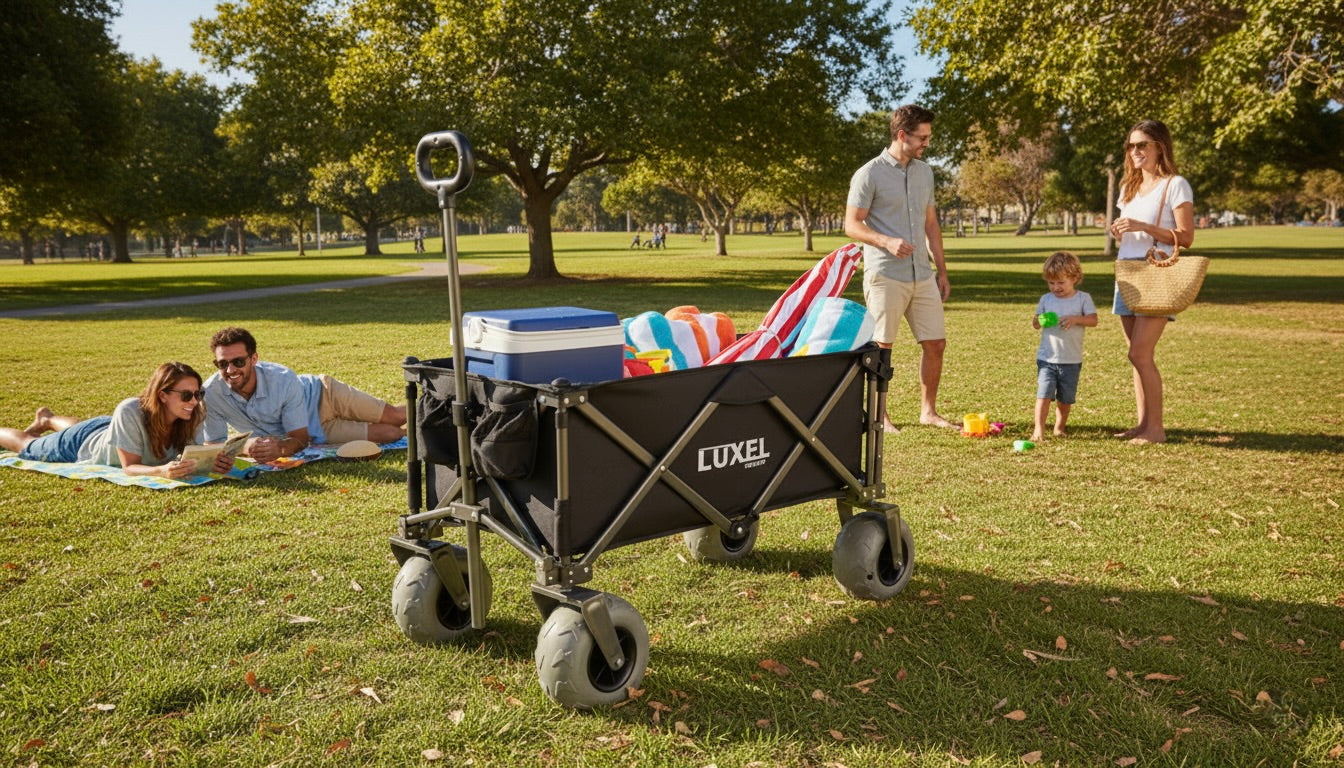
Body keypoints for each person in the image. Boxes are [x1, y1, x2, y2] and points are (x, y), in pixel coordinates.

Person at [845, 103, 954, 433]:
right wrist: (885, 241)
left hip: (922, 273)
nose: (926, 144)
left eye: (929, 138)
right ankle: (880, 414)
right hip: (885, 273)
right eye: (922, 138)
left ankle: (929, 411)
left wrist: (943, 270)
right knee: (882, 346)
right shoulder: (869, 173)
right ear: (902, 135)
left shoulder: (925, 172)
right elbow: (851, 224)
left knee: (935, 343)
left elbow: (931, 223)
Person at [1107, 119, 1194, 445]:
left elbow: (1186, 237)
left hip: (1156, 273)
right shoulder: (1128, 188)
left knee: (1140, 354)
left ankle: (1156, 430)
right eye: (1131, 146)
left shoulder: (1176, 185)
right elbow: (1128, 233)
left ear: (1160, 147)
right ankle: (1142, 424)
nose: (1136, 151)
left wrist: (1143, 225)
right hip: (1127, 273)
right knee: (1135, 354)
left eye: (1142, 145)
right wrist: (1121, 230)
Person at [202, 327, 407, 462]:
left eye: (238, 362)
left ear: (254, 359)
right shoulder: (210, 393)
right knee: (392, 434)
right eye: (222, 364)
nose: (230, 370)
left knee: (396, 416)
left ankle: (437, 405)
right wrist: (247, 447)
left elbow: (298, 438)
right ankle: (425, 431)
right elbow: (213, 446)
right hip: (317, 430)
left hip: (325, 395)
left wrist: (280, 450)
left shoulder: (282, 378)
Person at [0, 362, 233, 478]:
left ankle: (48, 419)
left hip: (108, 429)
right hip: (81, 443)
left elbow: (191, 453)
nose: (194, 400)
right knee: (27, 444)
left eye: (197, 394)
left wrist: (210, 463)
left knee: (80, 427)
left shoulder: (193, 412)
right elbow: (129, 467)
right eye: (186, 395)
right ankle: (38, 424)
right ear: (162, 395)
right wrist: (161, 471)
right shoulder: (130, 410)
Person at [1031, 252, 1098, 441]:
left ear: (1074, 278)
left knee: (1065, 398)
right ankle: (1038, 430)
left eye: (1061, 282)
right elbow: (1036, 323)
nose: (1055, 287)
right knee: (1043, 394)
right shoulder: (1046, 299)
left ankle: (1059, 427)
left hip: (1071, 359)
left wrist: (1075, 319)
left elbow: (1093, 320)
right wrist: (1040, 320)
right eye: (1051, 283)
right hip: (1047, 358)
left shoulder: (1083, 299)